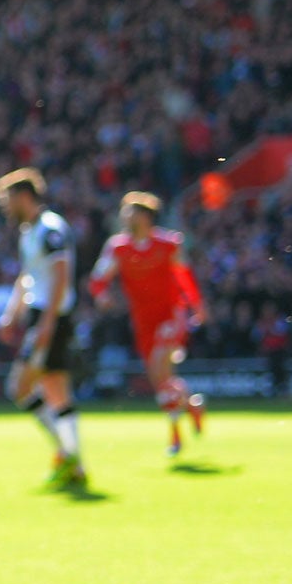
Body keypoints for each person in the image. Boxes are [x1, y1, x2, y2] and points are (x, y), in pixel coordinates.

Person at [89, 191, 209, 456]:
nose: (124, 218)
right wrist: (102, 295)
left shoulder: (169, 244)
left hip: (171, 316)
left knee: (159, 366)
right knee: (162, 380)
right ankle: (192, 405)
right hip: (143, 322)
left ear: (144, 216)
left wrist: (197, 306)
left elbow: (184, 276)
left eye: (128, 213)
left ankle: (175, 436)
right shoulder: (117, 247)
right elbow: (97, 279)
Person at [0, 168, 86, 489]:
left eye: (7, 199)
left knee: (19, 387)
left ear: (23, 196)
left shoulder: (51, 229)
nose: (5, 206)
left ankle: (67, 454)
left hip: (53, 317)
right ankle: (73, 461)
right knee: (56, 390)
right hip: (42, 315)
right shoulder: (28, 231)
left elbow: (61, 276)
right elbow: (28, 276)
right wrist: (12, 313)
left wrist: (46, 324)